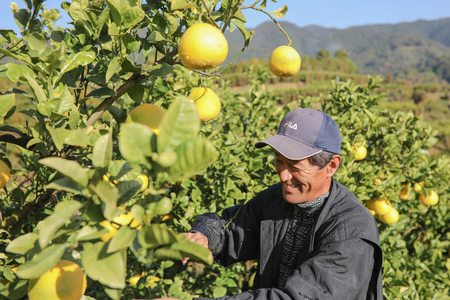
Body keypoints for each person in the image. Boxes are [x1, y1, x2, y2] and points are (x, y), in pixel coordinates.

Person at [155, 108, 383, 300]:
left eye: (294, 166)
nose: (283, 176)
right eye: (279, 161)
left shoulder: (351, 233)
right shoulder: (277, 199)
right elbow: (232, 228)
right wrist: (204, 236)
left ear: (331, 165)